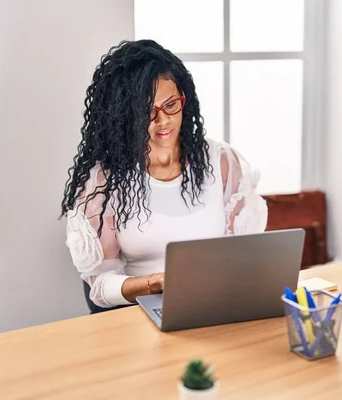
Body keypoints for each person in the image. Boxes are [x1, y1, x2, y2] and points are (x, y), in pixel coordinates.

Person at [61, 40, 268, 310]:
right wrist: (155, 283)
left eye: (171, 104)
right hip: (138, 314)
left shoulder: (223, 163)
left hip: (214, 305)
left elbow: (243, 254)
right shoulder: (103, 182)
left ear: (185, 98)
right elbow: (100, 286)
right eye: (147, 111)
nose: (163, 120)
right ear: (126, 115)